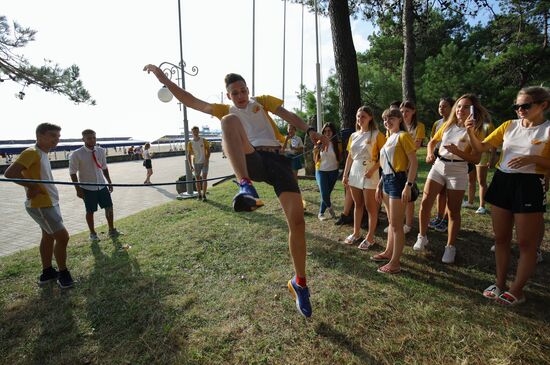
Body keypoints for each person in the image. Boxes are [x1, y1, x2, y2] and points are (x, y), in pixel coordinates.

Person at [144, 64, 329, 318]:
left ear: (248, 90)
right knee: (229, 120)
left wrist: (311, 131)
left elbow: (287, 115)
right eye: (235, 93)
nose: (240, 96)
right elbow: (190, 100)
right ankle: (245, 185)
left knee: (297, 223)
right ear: (228, 95)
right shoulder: (225, 109)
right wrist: (162, 77)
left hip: (278, 160)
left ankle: (300, 283)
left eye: (243, 91)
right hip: (252, 157)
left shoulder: (262, 102)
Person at [468, 86, 550, 306]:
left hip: (530, 183)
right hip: (504, 180)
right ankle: (500, 283)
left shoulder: (548, 129)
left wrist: (532, 159)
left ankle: (517, 290)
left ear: (543, 105)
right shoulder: (508, 126)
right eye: (517, 106)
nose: (520, 110)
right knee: (501, 238)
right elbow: (483, 147)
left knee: (526, 243)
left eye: (525, 106)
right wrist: (470, 131)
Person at [414, 94, 487, 264]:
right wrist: (431, 153)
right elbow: (432, 142)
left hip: (458, 169)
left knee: (453, 211)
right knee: (425, 202)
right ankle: (422, 236)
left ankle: (450, 247)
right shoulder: (448, 124)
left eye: (467, 107)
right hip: (439, 166)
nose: (461, 110)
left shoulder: (478, 129)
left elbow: (476, 159)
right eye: (459, 106)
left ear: (474, 110)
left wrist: (458, 150)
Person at [4, 123, 74, 288]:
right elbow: (10, 173)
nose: (56, 140)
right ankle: (63, 274)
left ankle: (47, 272)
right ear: (40, 136)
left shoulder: (41, 153)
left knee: (48, 236)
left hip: (49, 201)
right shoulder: (32, 152)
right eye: (52, 136)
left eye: (58, 137)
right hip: (42, 204)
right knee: (63, 237)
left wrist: (32, 185)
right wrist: (32, 187)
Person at [372, 108, 418, 273]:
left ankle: (395, 263)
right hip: (387, 181)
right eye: (385, 119)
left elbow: (414, 163)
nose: (387, 121)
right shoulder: (389, 138)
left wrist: (408, 185)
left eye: (391, 117)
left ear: (399, 119)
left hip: (399, 181)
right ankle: (388, 252)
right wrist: (379, 185)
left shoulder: (403, 136)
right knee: (391, 223)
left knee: (397, 225)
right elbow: (384, 166)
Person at [342, 106, 386, 249]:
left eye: (363, 116)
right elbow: (350, 156)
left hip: (370, 171)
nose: (360, 119)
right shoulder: (353, 135)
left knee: (370, 207)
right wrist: (345, 174)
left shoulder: (377, 134)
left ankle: (370, 237)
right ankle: (356, 233)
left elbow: (385, 156)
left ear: (370, 118)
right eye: (358, 116)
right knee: (358, 204)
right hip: (355, 170)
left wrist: (373, 169)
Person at [69, 129, 120, 241]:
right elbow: (73, 173)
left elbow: (104, 167)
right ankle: (92, 233)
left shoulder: (101, 151)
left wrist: (109, 182)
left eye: (94, 137)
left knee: (109, 207)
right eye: (89, 138)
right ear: (83, 139)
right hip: (87, 188)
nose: (92, 140)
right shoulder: (76, 154)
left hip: (101, 186)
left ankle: (111, 230)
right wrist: (78, 189)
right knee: (90, 211)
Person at [428, 97, 454, 233]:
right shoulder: (437, 123)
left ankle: (446, 218)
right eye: (440, 106)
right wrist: (431, 154)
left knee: (449, 191)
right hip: (438, 158)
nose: (441, 109)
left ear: (452, 108)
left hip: (452, 160)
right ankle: (439, 216)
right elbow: (433, 140)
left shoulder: (456, 123)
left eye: (445, 106)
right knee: (440, 191)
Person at [399, 100, 425, 234]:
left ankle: (408, 225)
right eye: (402, 112)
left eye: (407, 111)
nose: (404, 114)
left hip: (410, 165)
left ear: (413, 111)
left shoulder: (419, 126)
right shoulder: (398, 126)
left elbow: (416, 146)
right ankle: (398, 222)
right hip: (397, 165)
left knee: (409, 195)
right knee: (397, 195)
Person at [462, 120, 496, 214]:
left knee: (481, 181)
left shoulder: (488, 125)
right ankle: (470, 201)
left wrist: (492, 158)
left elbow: (494, 143)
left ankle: (482, 206)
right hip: (470, 154)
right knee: (470, 180)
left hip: (483, 155)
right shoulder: (468, 124)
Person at [313, 122, 342, 221]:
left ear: (333, 131)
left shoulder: (337, 143)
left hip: (333, 171)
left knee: (327, 193)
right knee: (324, 193)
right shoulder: (318, 143)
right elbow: (315, 159)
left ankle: (321, 213)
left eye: (329, 131)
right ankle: (328, 209)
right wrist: (316, 150)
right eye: (325, 131)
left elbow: (340, 157)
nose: (327, 133)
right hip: (321, 170)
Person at [187, 126, 211, 201]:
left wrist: (206, 161)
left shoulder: (203, 140)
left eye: (197, 131)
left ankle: (204, 195)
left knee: (204, 178)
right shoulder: (190, 143)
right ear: (192, 133)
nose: (196, 133)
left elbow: (209, 151)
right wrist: (190, 165)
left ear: (198, 131)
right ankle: (199, 195)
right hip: (196, 163)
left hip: (204, 162)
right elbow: (188, 155)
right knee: (197, 179)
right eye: (194, 132)